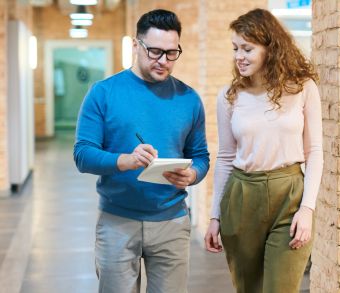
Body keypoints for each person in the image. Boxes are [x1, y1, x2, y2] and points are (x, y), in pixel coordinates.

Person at [74, 9, 209, 293]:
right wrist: (125, 160)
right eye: (155, 51)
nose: (163, 61)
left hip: (172, 222)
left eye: (172, 53)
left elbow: (201, 156)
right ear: (136, 46)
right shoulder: (103, 93)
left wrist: (193, 175)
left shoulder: (189, 99)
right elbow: (83, 154)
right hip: (117, 223)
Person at [204, 8, 323, 293]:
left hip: (290, 195)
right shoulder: (229, 96)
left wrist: (307, 209)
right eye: (235, 48)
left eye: (247, 48)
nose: (239, 56)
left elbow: (315, 151)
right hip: (242, 196)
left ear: (270, 47)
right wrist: (214, 216)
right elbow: (225, 158)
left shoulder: (303, 88)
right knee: (249, 289)